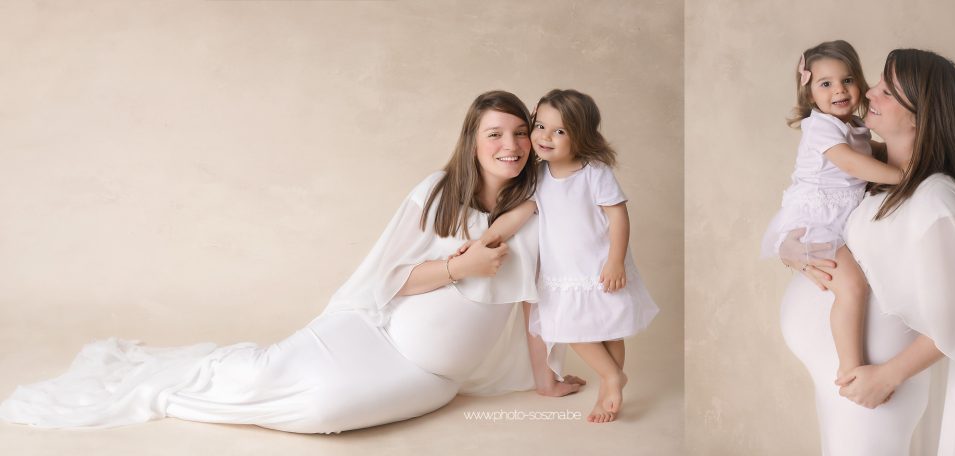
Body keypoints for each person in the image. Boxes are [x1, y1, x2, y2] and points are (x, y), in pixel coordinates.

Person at [0, 90, 582, 433]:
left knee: (324, 411)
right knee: (267, 372)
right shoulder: (438, 192)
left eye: (518, 135)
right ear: (472, 142)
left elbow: (537, 305)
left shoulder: (534, 212)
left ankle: (189, 389)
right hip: (372, 331)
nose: (510, 146)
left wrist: (545, 380)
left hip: (432, 377)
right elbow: (389, 280)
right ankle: (167, 379)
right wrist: (461, 268)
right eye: (494, 135)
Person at [779, 49, 955, 455]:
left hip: (873, 387)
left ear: (919, 115)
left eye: (888, 91)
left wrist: (887, 376)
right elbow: (823, 222)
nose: (869, 92)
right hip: (846, 384)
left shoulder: (936, 199)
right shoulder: (866, 177)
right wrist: (793, 249)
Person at [461, 89, 658, 423]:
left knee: (610, 330)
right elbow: (519, 214)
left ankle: (609, 386)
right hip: (564, 276)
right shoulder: (539, 176)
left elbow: (618, 218)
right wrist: (487, 238)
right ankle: (613, 376)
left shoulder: (595, 173)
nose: (545, 137)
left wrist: (615, 261)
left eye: (560, 131)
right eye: (540, 127)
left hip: (600, 268)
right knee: (568, 328)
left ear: (580, 136)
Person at [763, 40, 904, 382]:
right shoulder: (820, 126)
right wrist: (902, 176)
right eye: (825, 84)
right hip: (816, 219)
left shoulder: (854, 127)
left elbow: (876, 149)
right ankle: (850, 366)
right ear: (809, 93)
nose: (839, 90)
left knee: (856, 282)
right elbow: (853, 163)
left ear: (859, 83)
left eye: (848, 80)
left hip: (836, 216)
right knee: (853, 287)